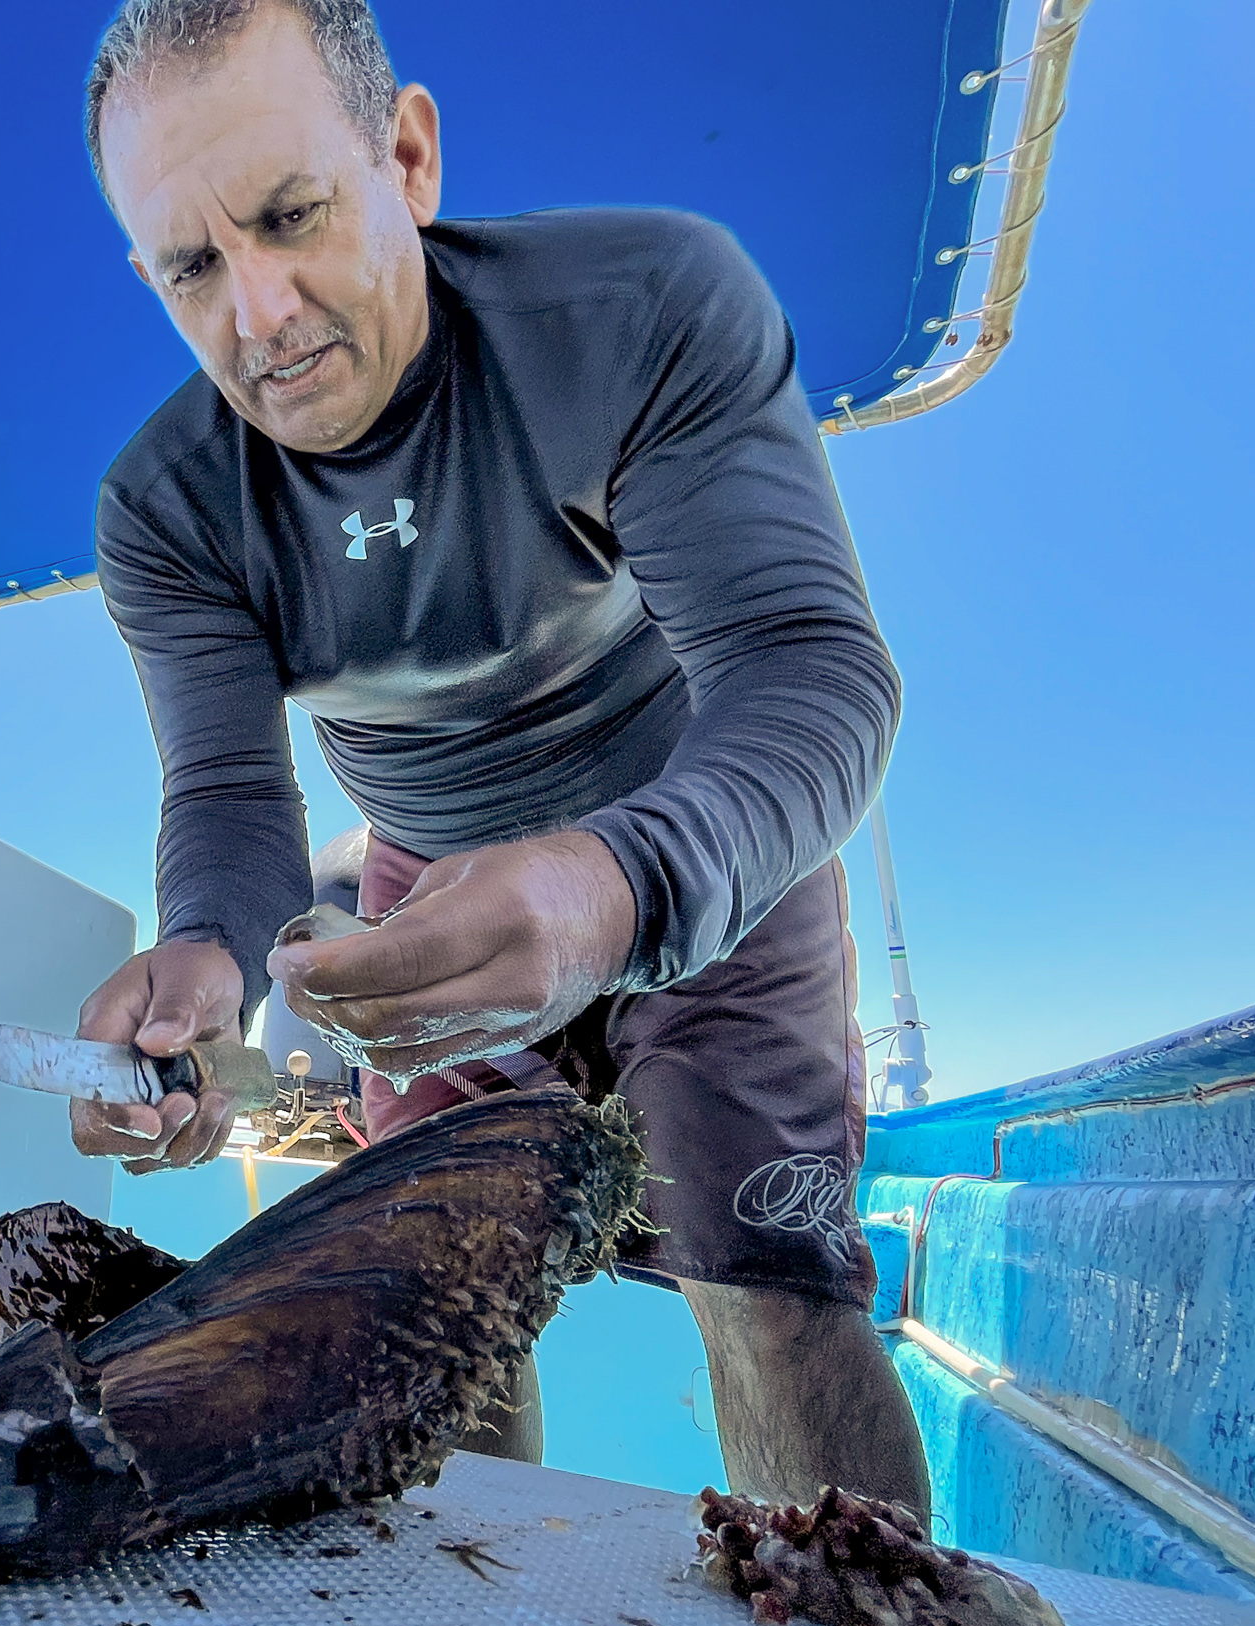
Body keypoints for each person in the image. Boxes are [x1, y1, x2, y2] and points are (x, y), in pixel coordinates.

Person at [67, 0, 930, 1515]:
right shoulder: (166, 508)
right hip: (424, 887)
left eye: (290, 215)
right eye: (195, 266)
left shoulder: (645, 302)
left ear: (404, 156)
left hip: (712, 846)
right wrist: (204, 958)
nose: (259, 317)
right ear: (144, 274)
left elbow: (809, 667)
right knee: (426, 1297)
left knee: (773, 1287)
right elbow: (225, 793)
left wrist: (625, 881)